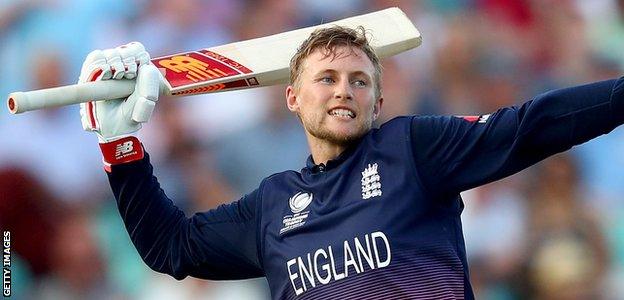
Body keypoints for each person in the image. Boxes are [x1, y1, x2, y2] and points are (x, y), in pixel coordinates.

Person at [80, 27, 624, 299]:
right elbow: (169, 246)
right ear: (292, 98)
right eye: (328, 78)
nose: (345, 91)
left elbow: (532, 125)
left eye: (360, 81)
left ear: (377, 103)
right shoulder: (271, 205)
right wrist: (120, 144)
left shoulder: (412, 150)